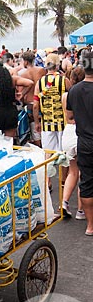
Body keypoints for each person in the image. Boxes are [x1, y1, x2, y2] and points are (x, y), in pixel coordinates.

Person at [66, 51, 93, 236]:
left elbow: (69, 116)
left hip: (84, 141)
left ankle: (90, 225)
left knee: (87, 182)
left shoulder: (73, 91)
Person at [0, 64, 33, 138]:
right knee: (9, 141)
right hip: (10, 113)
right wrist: (22, 94)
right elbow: (30, 83)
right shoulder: (13, 80)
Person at [61, 66, 85, 219]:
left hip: (68, 133)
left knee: (72, 171)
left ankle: (64, 202)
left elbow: (68, 116)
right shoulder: (85, 92)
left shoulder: (66, 95)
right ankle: (81, 210)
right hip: (82, 131)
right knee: (85, 173)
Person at [33, 53, 70, 152]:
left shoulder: (39, 82)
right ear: (58, 65)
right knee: (64, 153)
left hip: (47, 123)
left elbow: (35, 105)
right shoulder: (64, 80)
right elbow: (72, 100)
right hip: (63, 123)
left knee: (48, 154)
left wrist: (37, 122)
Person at [18, 51, 46, 145]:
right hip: (42, 102)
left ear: (25, 62)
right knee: (45, 129)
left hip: (30, 104)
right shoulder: (41, 70)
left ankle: (40, 151)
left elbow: (20, 93)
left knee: (35, 131)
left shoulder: (23, 74)